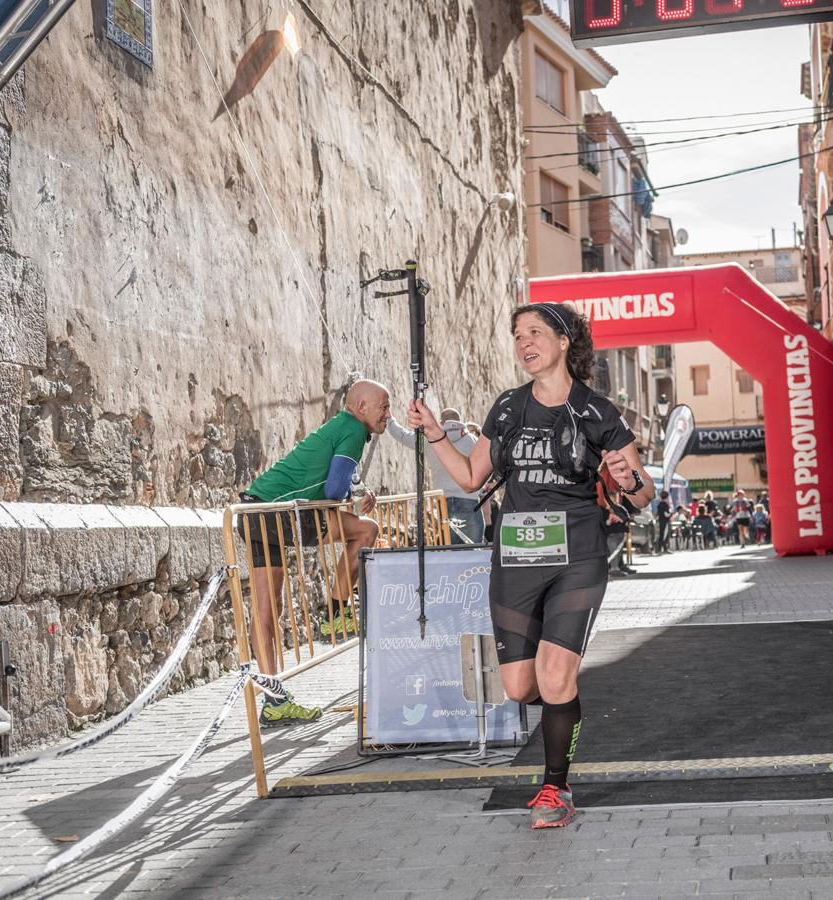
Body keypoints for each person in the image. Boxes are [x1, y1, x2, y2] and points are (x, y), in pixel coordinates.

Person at [407, 302, 655, 829]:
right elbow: (472, 478)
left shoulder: (596, 411)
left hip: (578, 555)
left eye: (536, 333)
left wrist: (627, 479)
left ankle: (555, 788)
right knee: (520, 687)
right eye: (518, 335)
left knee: (553, 673)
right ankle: (561, 698)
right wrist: (434, 433)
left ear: (564, 342)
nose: (525, 343)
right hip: (516, 558)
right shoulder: (507, 407)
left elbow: (643, 493)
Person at [237, 380, 386, 727]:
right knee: (366, 530)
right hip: (282, 512)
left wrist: (358, 492)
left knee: (264, 611)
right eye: (384, 405)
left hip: (252, 509)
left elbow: (334, 483)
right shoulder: (352, 428)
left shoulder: (341, 425)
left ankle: (274, 701)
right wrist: (353, 498)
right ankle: (335, 612)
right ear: (361, 407)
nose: (388, 414)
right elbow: (333, 490)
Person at [388, 406, 484, 545]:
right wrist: (479, 490)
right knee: (475, 551)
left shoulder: (431, 441)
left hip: (442, 502)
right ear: (459, 421)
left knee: (450, 550)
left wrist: (390, 420)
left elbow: (403, 436)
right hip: (470, 501)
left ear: (441, 422)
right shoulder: (473, 441)